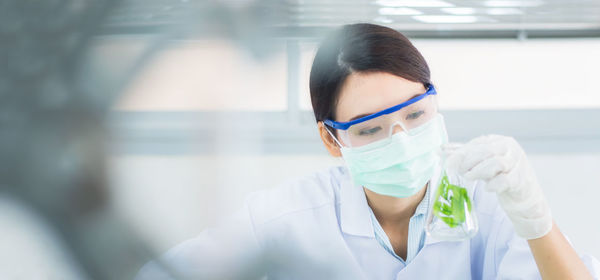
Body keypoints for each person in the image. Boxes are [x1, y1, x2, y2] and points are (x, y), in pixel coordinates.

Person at [136, 23, 599, 279]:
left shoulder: (489, 201)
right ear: (331, 140)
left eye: (416, 115)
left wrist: (536, 219)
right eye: (371, 128)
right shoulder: (282, 218)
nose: (401, 140)